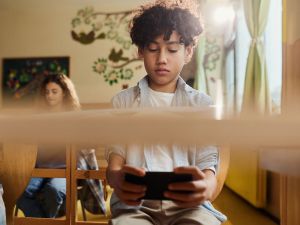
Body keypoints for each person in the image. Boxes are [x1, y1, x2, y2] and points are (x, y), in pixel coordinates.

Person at [105, 0, 227, 224]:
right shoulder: (123, 102)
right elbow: (115, 159)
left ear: (188, 52)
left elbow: (208, 162)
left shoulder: (202, 104)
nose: (162, 58)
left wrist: (208, 187)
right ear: (141, 51)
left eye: (172, 49)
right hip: (135, 206)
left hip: (189, 207)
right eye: (153, 48)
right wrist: (116, 179)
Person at [17, 74, 106, 218]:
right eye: (46, 92)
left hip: (66, 170)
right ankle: (44, 221)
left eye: (54, 91)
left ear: (64, 93)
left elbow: (88, 145)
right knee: (19, 191)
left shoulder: (74, 118)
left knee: (53, 191)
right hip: (39, 169)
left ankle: (44, 221)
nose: (49, 95)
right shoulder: (38, 118)